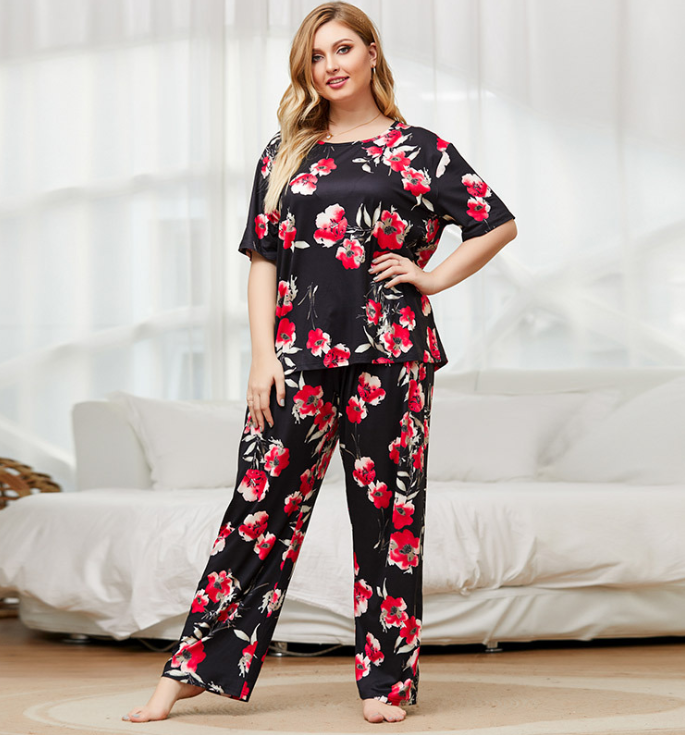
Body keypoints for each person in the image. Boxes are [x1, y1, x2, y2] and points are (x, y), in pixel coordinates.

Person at [123, 0, 516, 725]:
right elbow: (263, 261)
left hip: (392, 355)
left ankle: (385, 683)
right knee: (257, 509)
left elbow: (495, 222)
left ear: (371, 53)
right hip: (296, 358)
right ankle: (192, 671)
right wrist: (261, 357)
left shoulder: (419, 150)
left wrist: (431, 277)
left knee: (389, 516)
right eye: (315, 56)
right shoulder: (286, 152)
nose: (330, 65)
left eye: (342, 49)